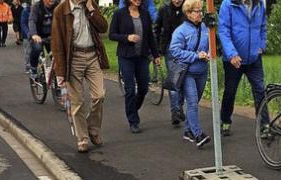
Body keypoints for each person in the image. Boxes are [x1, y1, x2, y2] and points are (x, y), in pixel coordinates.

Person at [51, 0, 109, 153]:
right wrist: (60, 73)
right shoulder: (60, 10)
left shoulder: (90, 5)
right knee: (77, 102)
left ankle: (93, 128)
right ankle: (82, 138)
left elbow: (103, 28)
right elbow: (57, 44)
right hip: (74, 58)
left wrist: (91, 10)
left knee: (100, 95)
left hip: (92, 56)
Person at [109, 0, 160, 134]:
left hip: (142, 56)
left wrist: (156, 55)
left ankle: (133, 108)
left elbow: (150, 36)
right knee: (130, 89)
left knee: (143, 87)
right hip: (126, 57)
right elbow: (112, 35)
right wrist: (127, 38)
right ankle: (133, 120)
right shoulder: (119, 14)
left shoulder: (145, 14)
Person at [218, 0, 268, 136]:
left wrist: (262, 45)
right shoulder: (228, 4)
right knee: (230, 91)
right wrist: (231, 54)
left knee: (260, 90)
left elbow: (263, 27)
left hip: (254, 58)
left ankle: (265, 125)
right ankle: (225, 121)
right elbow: (223, 31)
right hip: (234, 59)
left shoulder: (259, 4)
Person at [169, 0, 210, 147]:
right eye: (197, 11)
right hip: (188, 73)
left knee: (195, 102)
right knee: (192, 102)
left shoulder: (205, 27)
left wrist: (209, 53)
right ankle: (198, 134)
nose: (200, 14)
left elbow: (210, 43)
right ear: (188, 13)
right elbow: (174, 51)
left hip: (202, 71)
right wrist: (196, 56)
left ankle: (188, 131)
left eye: (201, 11)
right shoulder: (181, 31)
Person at [154, 0, 185, 125]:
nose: (177, 0)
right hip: (169, 49)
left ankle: (179, 105)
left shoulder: (188, 8)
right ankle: (175, 111)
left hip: (186, 49)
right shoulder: (163, 9)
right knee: (174, 79)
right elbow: (156, 29)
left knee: (184, 80)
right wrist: (157, 50)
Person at [28, 0, 58, 79]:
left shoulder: (58, 6)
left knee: (58, 56)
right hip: (38, 36)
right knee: (37, 48)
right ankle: (33, 68)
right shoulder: (36, 7)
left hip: (53, 36)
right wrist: (34, 34)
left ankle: (57, 82)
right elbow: (32, 21)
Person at [20, 0, 30, 73]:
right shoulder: (26, 11)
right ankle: (28, 67)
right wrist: (27, 33)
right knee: (28, 52)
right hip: (27, 36)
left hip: (38, 35)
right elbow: (23, 24)